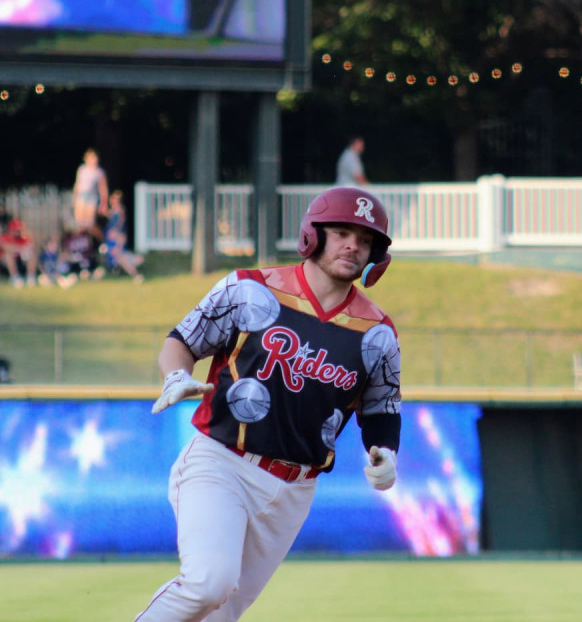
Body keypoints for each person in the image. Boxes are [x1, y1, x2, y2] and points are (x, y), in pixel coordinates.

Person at [135, 187, 402, 621]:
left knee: (221, 613)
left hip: (295, 488)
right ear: (313, 235)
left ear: (376, 254)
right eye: (340, 232)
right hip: (222, 462)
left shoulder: (377, 332)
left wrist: (386, 451)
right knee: (209, 583)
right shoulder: (249, 290)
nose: (353, 244)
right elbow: (180, 343)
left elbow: (381, 409)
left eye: (365, 239)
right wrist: (177, 376)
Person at [103, 190, 144, 282]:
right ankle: (120, 270)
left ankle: (136, 274)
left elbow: (120, 229)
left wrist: (117, 246)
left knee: (121, 258)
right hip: (113, 243)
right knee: (116, 257)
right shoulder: (114, 211)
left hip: (117, 243)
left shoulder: (120, 212)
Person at [72, 147, 109, 234]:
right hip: (81, 195)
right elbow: (77, 184)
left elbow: (103, 188)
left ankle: (100, 239)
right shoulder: (82, 170)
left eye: (95, 158)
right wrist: (74, 197)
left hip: (92, 196)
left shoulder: (99, 172)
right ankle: (81, 243)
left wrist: (104, 203)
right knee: (80, 222)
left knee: (89, 223)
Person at [0, 217, 36, 288]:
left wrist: (26, 236)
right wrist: (19, 249)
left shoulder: (23, 237)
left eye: (19, 230)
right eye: (16, 230)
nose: (17, 232)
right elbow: (6, 247)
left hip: (20, 261)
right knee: (8, 255)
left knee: (31, 254)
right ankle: (15, 277)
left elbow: (30, 245)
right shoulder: (5, 237)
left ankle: (30, 277)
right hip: (5, 264)